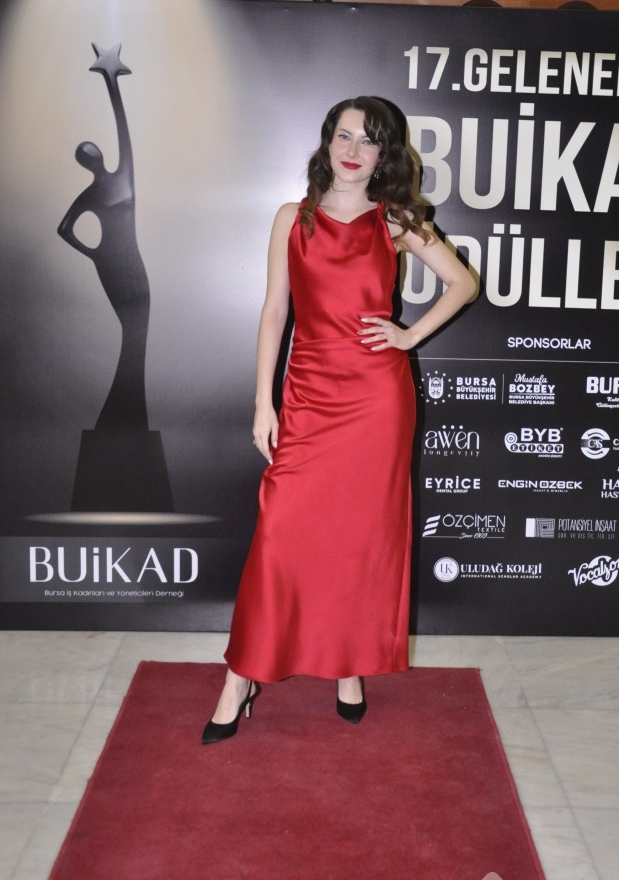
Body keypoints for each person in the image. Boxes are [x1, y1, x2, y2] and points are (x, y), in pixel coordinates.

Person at [202, 97, 475, 744]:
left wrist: (409, 337)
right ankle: (240, 677)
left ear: (384, 154)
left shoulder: (395, 219)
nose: (354, 151)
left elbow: (463, 283)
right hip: (308, 394)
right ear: (327, 142)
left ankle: (349, 666)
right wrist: (264, 401)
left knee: (358, 537)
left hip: (377, 399)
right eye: (345, 136)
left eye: (369, 140)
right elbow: (275, 313)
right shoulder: (292, 218)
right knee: (280, 532)